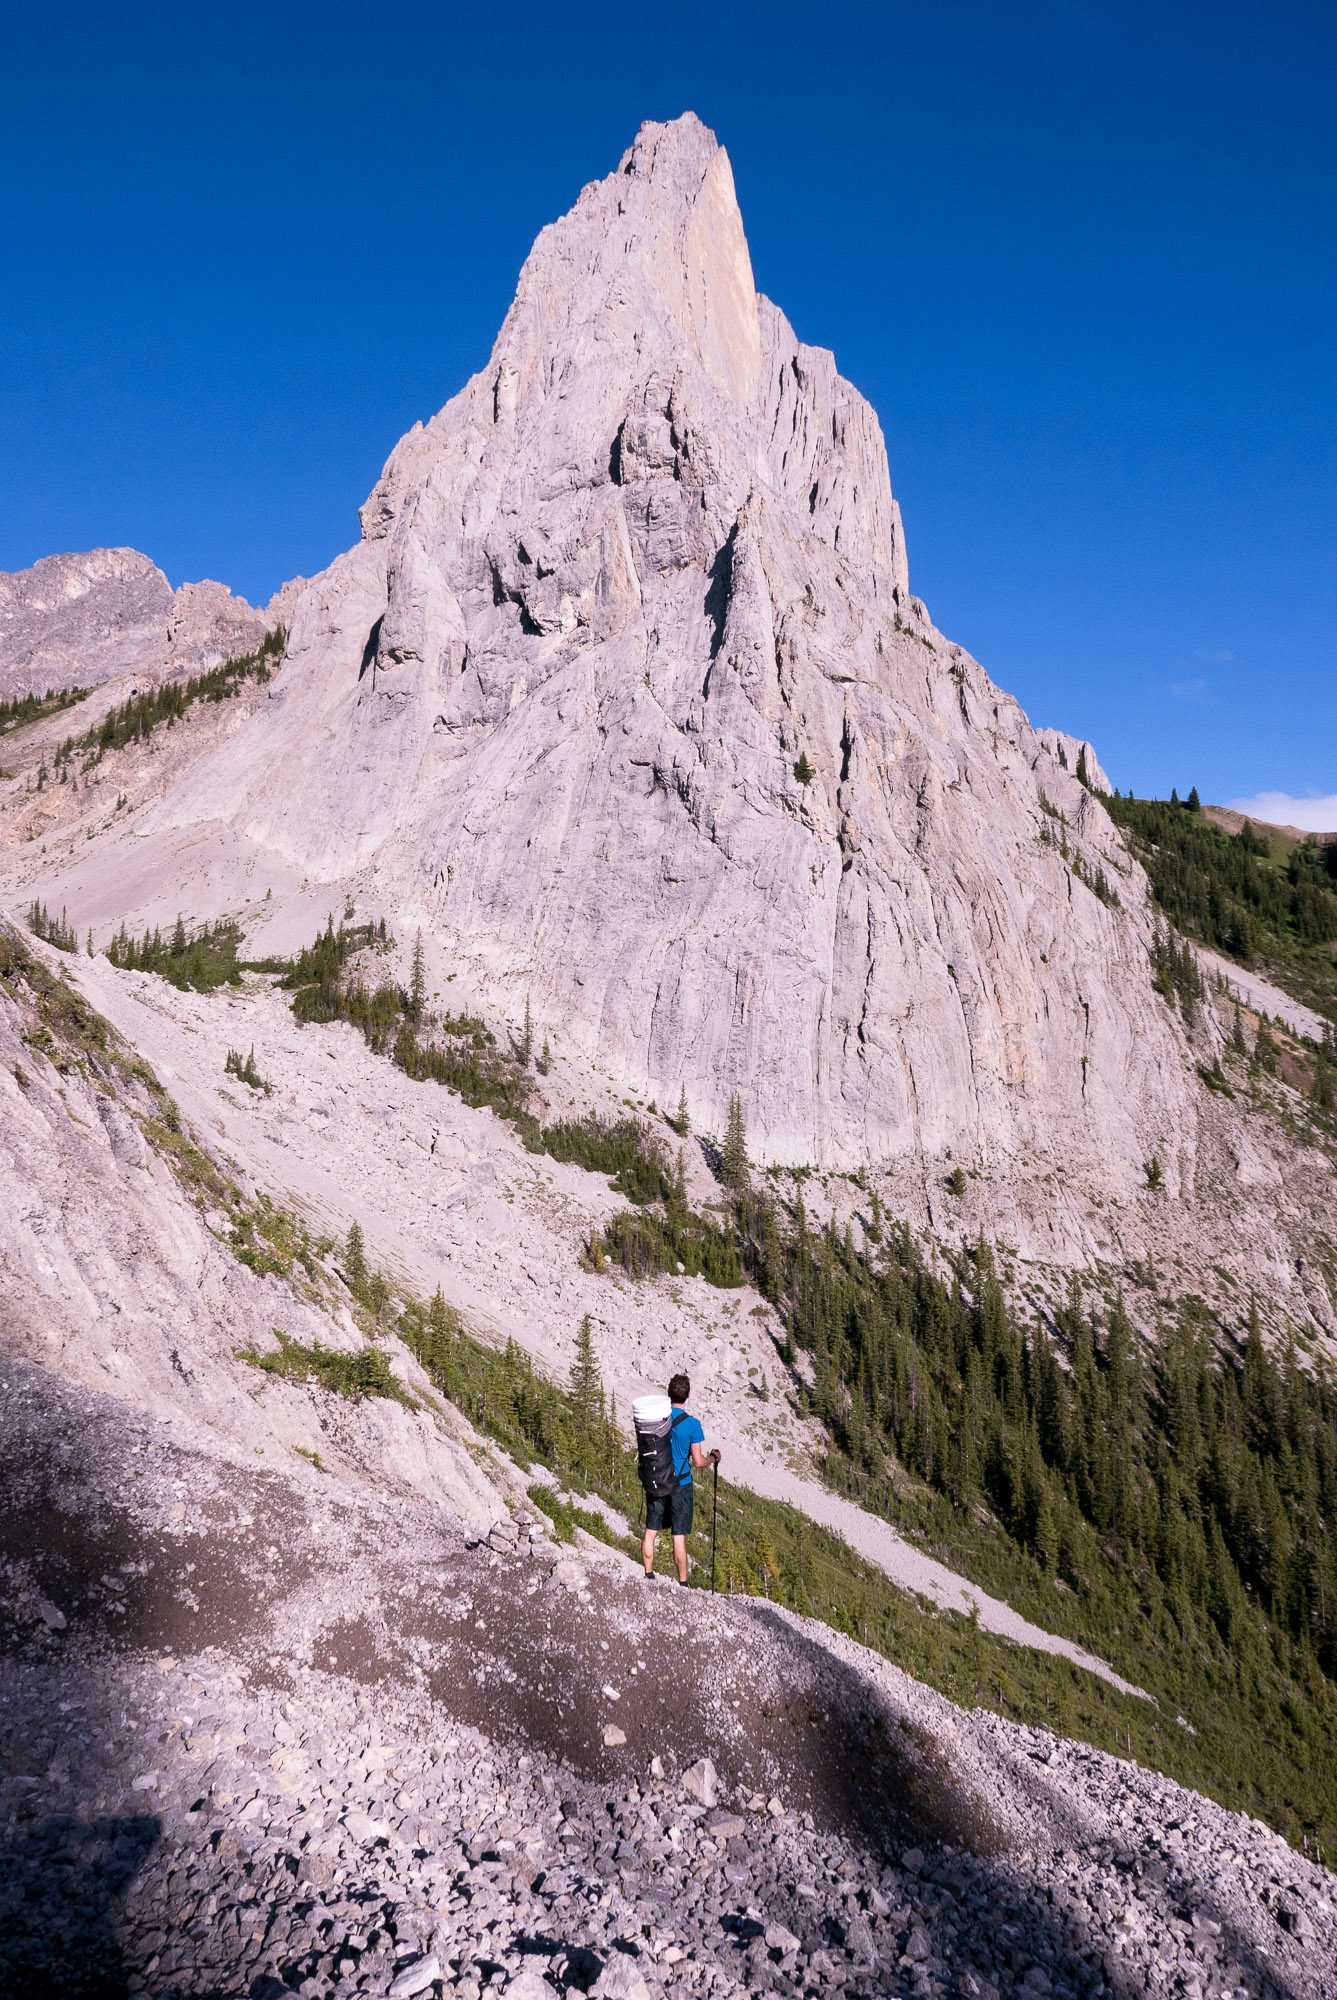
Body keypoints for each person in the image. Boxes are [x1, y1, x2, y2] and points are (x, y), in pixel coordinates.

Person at [641, 1372, 718, 1585]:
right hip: (681, 1484)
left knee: (651, 1530)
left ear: (669, 1394)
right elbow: (698, 1462)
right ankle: (683, 1583)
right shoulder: (692, 1424)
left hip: (657, 1479)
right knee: (678, 1535)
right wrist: (713, 1458)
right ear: (688, 1396)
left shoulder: (658, 1418)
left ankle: (648, 1575)